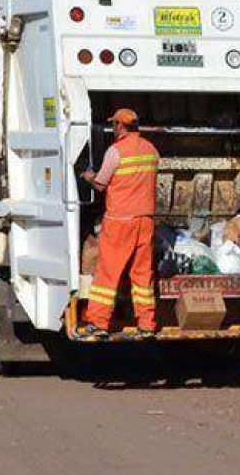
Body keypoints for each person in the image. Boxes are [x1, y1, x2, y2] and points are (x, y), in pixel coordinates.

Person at [79, 108, 160, 336]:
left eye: (114, 124)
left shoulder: (115, 152)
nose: (113, 128)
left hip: (119, 221)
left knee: (108, 273)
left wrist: (88, 177)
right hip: (145, 220)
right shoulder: (151, 149)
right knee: (142, 274)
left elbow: (101, 185)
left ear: (119, 126)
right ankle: (146, 324)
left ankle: (99, 322)